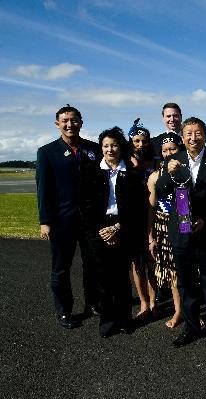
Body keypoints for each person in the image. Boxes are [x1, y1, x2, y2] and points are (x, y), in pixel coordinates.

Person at [156, 116, 206, 349]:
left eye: (198, 133)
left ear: (205, 136)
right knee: (186, 284)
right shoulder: (173, 161)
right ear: (182, 137)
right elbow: (160, 191)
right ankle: (191, 328)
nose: (193, 138)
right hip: (181, 231)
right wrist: (168, 173)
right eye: (188, 133)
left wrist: (205, 219)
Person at [36, 105, 101, 329]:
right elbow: (43, 189)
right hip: (62, 221)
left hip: (90, 220)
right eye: (64, 121)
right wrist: (45, 221)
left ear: (81, 122)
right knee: (61, 268)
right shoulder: (47, 152)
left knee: (92, 265)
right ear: (57, 124)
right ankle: (64, 311)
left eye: (73, 120)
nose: (69, 124)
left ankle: (93, 303)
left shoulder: (93, 149)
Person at [79, 127, 146, 337]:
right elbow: (84, 205)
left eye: (114, 145)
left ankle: (125, 319)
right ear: (101, 148)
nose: (110, 150)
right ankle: (107, 321)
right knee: (104, 279)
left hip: (124, 228)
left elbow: (138, 208)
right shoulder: (90, 171)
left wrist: (117, 228)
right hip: (98, 230)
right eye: (106, 146)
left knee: (122, 278)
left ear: (121, 147)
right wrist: (102, 230)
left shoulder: (133, 175)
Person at [147, 133, 184, 328]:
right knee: (172, 273)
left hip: (184, 225)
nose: (169, 153)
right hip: (163, 225)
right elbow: (151, 210)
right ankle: (178, 311)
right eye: (165, 150)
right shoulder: (154, 177)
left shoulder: (188, 172)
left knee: (188, 271)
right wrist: (151, 236)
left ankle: (190, 310)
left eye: (173, 149)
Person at [127, 119, 158, 319]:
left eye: (144, 141)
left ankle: (154, 301)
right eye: (137, 141)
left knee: (152, 261)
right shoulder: (125, 162)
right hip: (133, 217)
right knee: (136, 263)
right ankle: (144, 302)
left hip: (154, 214)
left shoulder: (156, 162)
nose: (141, 145)